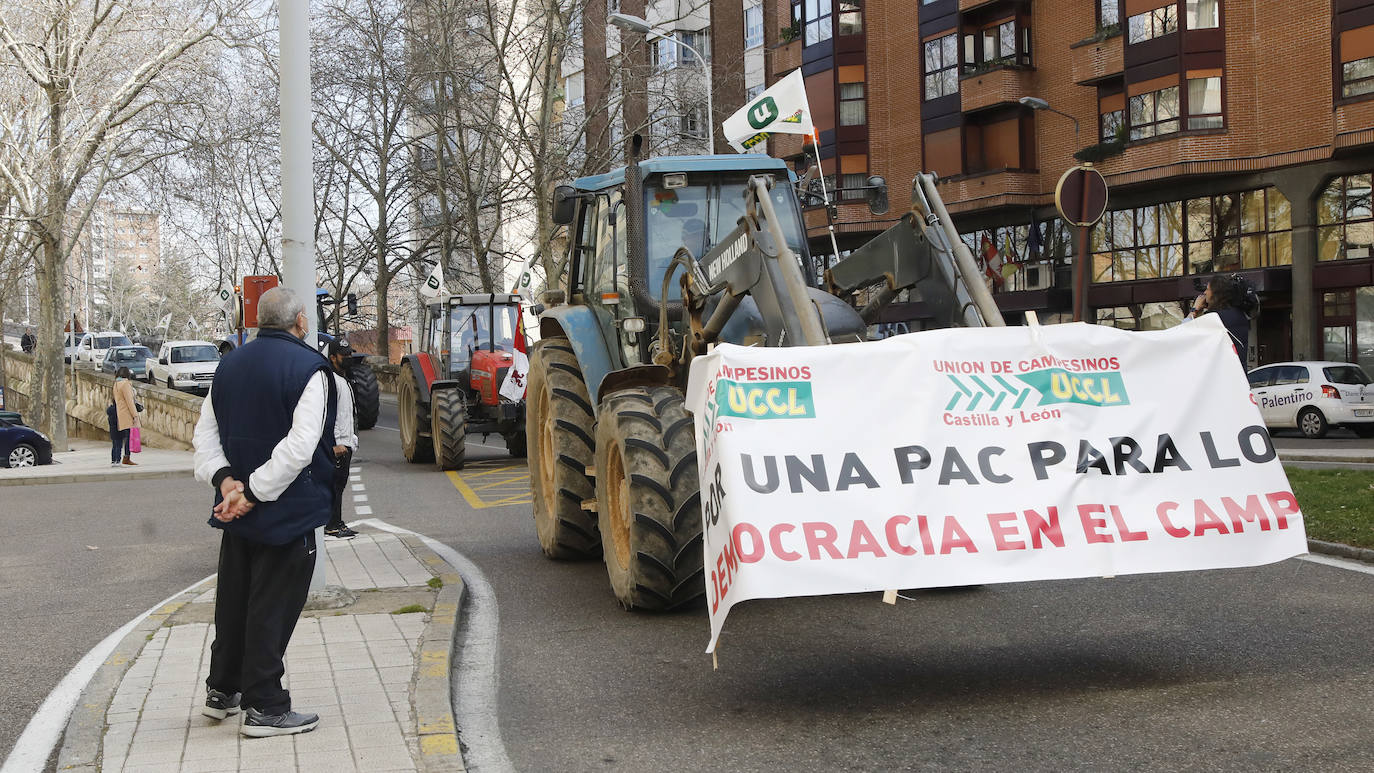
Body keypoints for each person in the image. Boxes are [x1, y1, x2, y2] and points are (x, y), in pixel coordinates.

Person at [191, 286, 337, 738]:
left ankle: (222, 691)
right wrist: (252, 490)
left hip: (237, 511)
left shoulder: (228, 364)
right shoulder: (310, 369)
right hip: (285, 513)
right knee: (272, 609)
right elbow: (300, 446)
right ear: (300, 322)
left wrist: (226, 482)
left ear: (257, 321)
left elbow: (205, 436)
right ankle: (266, 708)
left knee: (234, 603)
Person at [325, 337, 359, 540]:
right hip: (339, 445)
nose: (348, 358)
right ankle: (332, 525)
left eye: (349, 354)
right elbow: (330, 415)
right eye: (343, 355)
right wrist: (335, 442)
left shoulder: (344, 380)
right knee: (335, 486)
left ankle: (336, 522)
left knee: (340, 485)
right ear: (332, 357)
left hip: (346, 442)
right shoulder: (332, 381)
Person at [1185, 275, 1253, 368]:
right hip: (1239, 375)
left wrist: (1195, 309)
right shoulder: (1240, 315)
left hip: (1221, 376)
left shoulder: (1214, 318)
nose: (1204, 293)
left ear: (1215, 293)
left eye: (1208, 289)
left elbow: (1185, 333)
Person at [110, 367, 140, 467]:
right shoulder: (125, 384)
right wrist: (135, 415)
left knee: (117, 438)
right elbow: (129, 401)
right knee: (128, 437)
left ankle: (115, 459)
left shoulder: (116, 384)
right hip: (126, 414)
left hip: (118, 413)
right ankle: (126, 457)